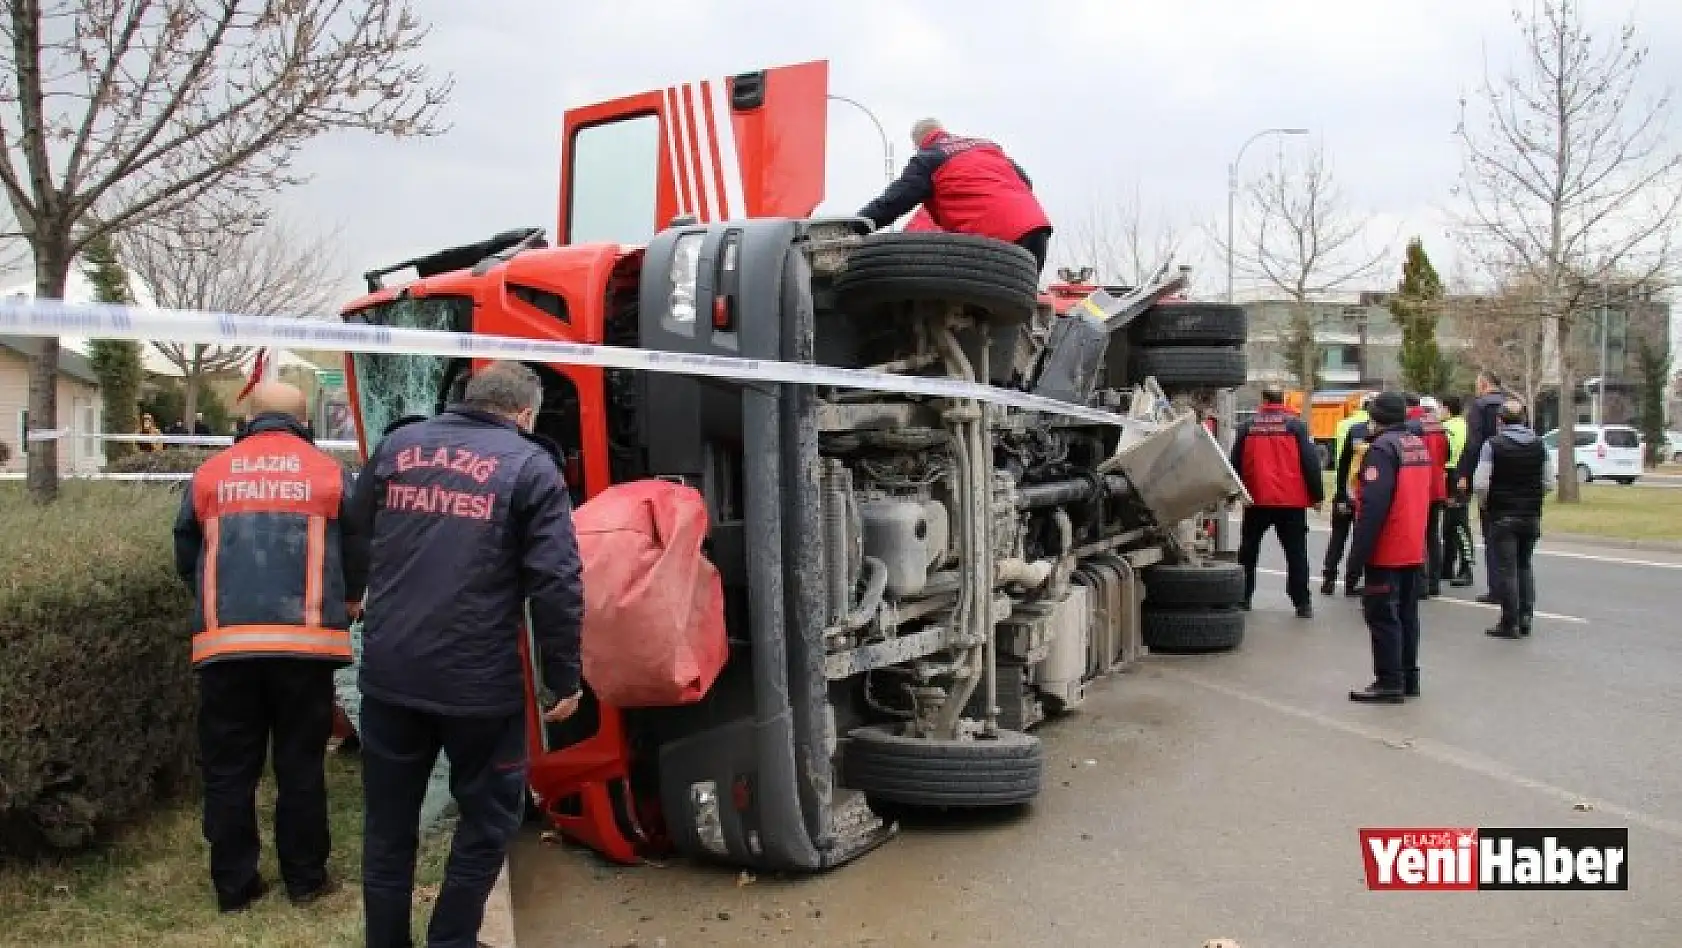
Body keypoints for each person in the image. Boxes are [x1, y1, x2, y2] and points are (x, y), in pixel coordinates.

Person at [346, 360, 585, 948]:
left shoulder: (399, 445)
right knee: (489, 819)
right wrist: (565, 678)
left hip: (390, 672)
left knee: (388, 827)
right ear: (526, 414)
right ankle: (451, 939)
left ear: (467, 396)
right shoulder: (530, 466)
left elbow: (352, 525)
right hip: (476, 685)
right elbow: (556, 580)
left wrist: (351, 596)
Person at [172, 382, 366, 912]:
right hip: (305, 649)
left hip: (226, 645)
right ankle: (306, 879)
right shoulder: (329, 474)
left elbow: (184, 549)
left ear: (248, 420)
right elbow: (358, 546)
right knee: (300, 764)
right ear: (305, 422)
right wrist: (348, 599)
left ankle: (234, 888)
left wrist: (220, 598)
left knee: (229, 767)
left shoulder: (210, 474)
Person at [857, 118, 1054, 274]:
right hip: (1036, 229)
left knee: (976, 311)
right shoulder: (986, 146)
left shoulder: (928, 158)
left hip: (996, 242)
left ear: (918, 144)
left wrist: (855, 226)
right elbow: (1025, 180)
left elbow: (894, 201)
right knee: (1017, 311)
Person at [1345, 392, 1435, 703]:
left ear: (1377, 416)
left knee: (1382, 615)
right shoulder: (1416, 445)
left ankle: (1389, 680)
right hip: (1412, 544)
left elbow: (1373, 507)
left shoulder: (1382, 449)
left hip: (1388, 547)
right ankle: (1409, 676)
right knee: (1408, 614)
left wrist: (1355, 560)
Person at [1230, 386, 1325, 617]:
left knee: (1249, 551)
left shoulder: (1247, 427)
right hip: (1291, 503)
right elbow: (1310, 462)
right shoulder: (1296, 427)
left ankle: (1244, 598)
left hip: (1256, 500)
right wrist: (1317, 495)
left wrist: (1234, 494)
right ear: (1282, 400)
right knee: (1296, 553)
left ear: (1263, 399)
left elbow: (1235, 463)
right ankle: (1302, 603)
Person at [1473, 397, 1556, 638]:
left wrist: (1486, 503)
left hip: (1502, 513)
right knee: (1524, 565)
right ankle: (1526, 615)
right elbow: (1549, 482)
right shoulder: (1539, 445)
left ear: (1500, 421)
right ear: (1524, 419)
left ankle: (1510, 621)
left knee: (1507, 568)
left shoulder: (1493, 445)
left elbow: (1480, 483)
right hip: (1530, 513)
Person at [1455, 370, 1511, 600]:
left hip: (1487, 473)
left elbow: (1473, 443)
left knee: (1491, 533)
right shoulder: (1512, 404)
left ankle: (1496, 587)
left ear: (1485, 384)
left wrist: (1464, 474)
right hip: (1512, 473)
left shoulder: (1480, 407)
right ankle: (1511, 585)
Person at [1323, 394, 1375, 596]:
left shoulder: (1350, 427)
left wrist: (1340, 493)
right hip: (1364, 494)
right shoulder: (1382, 434)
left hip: (1346, 491)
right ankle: (1351, 582)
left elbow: (1342, 462)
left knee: (1338, 537)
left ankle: (1328, 578)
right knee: (1359, 539)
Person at [1405, 394, 1452, 598]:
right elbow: (1446, 455)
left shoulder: (1411, 426)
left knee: (1418, 534)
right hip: (1438, 487)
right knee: (1433, 534)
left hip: (1420, 486)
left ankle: (1421, 583)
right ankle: (1434, 581)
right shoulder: (1439, 427)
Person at [1439, 394, 1475, 587]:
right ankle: (1447, 566)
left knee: (1459, 525)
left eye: (1440, 408)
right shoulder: (1465, 425)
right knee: (1451, 524)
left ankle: (1466, 567)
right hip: (1459, 474)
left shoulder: (1448, 428)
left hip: (1453, 475)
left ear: (1447, 409)